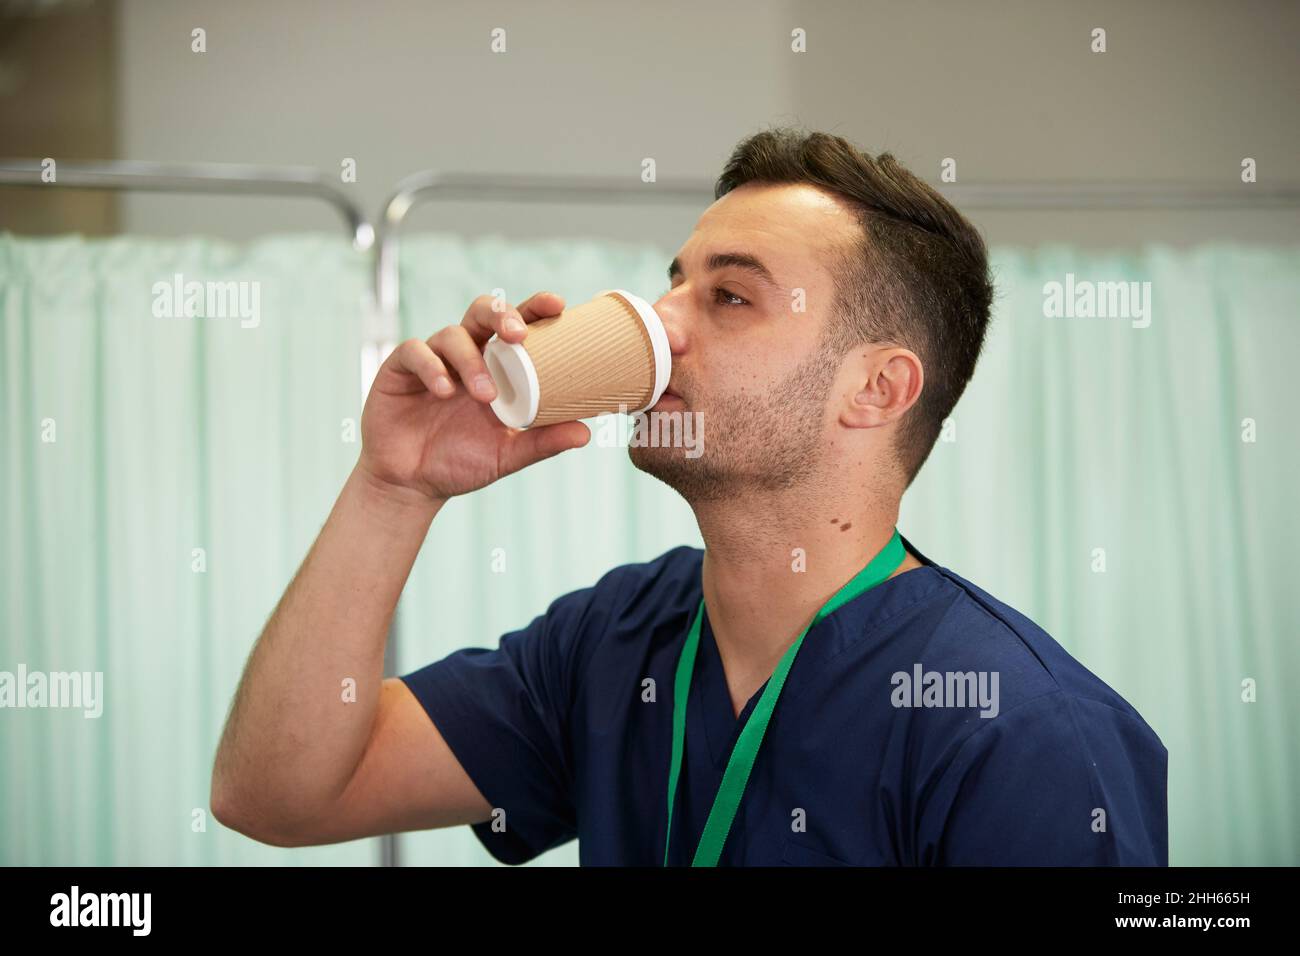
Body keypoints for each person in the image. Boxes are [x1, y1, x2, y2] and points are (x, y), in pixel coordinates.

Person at [210, 128, 1168, 866]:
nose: (661, 324)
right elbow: (278, 797)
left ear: (876, 390)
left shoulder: (1025, 735)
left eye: (731, 298)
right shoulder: (616, 640)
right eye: (674, 285)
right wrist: (394, 486)